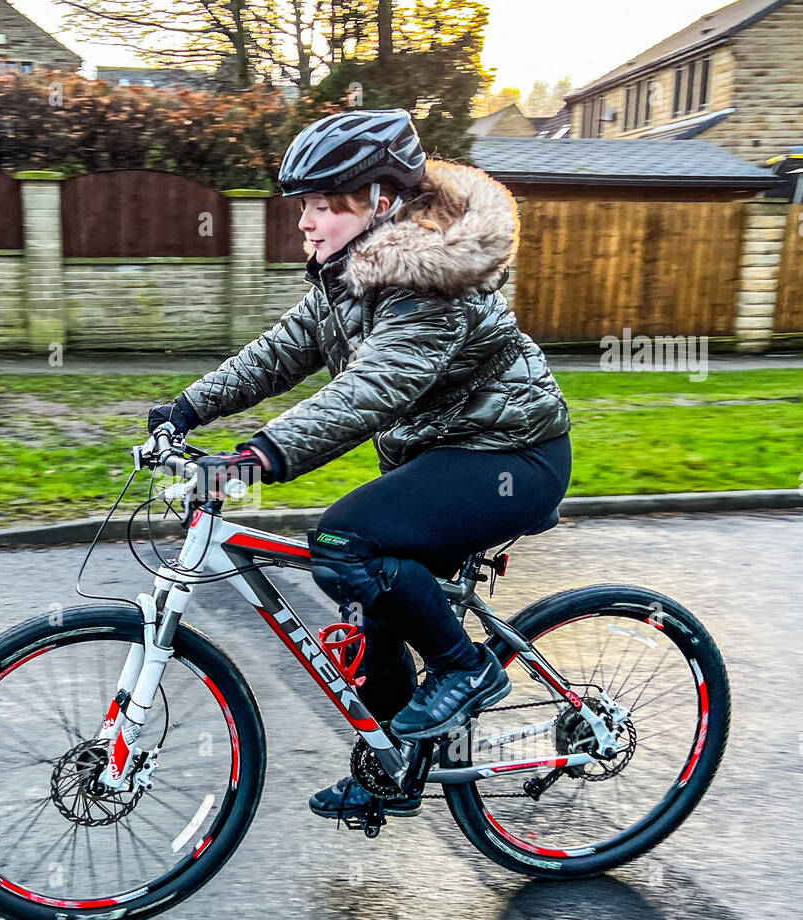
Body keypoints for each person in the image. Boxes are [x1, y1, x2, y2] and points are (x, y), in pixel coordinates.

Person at [147, 109, 572, 821]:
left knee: (344, 540)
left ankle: (465, 669)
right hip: (441, 456)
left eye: (324, 203)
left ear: (381, 199)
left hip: (511, 457)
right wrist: (185, 410)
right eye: (304, 204)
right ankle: (394, 771)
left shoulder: (435, 282)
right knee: (376, 607)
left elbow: (370, 391)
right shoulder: (348, 276)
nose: (307, 222)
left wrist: (258, 459)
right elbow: (281, 353)